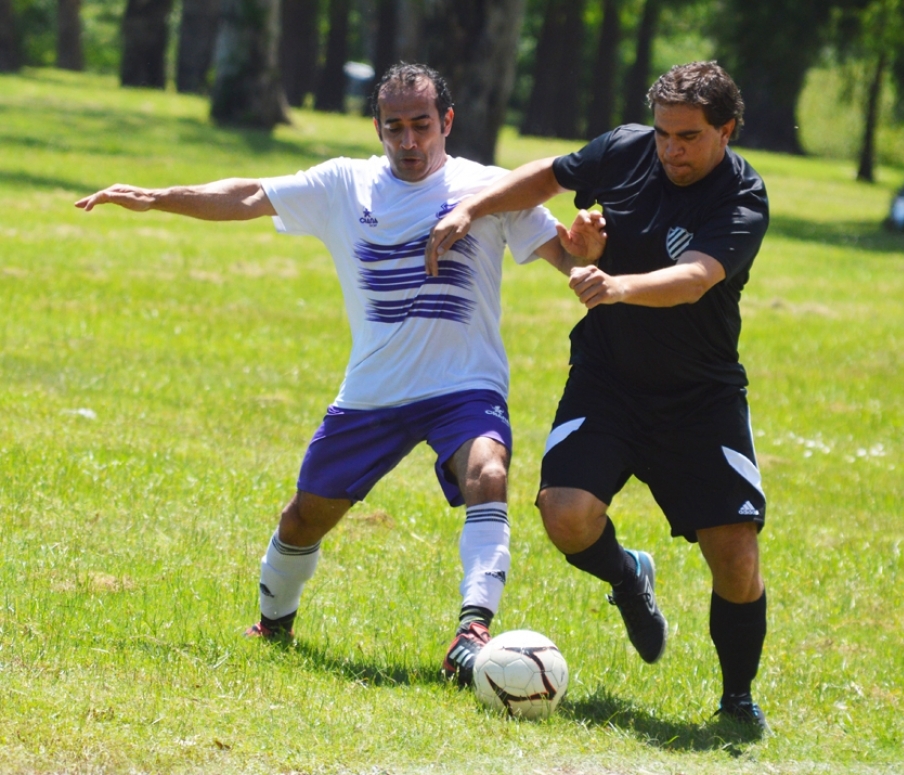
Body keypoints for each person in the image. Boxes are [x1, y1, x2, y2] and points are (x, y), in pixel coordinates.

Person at [75, 63, 604, 687]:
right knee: (304, 517)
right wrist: (155, 197)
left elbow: (569, 259)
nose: (409, 141)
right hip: (375, 391)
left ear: (447, 121)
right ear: (377, 128)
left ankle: (472, 631)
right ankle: (273, 624)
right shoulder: (345, 184)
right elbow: (248, 195)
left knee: (488, 473)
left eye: (422, 125)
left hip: (464, 385)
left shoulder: (490, 188)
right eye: (394, 127)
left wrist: (588, 253)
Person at [426, 61, 771, 729]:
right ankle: (626, 576)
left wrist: (615, 284)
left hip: (698, 396)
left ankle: (736, 700)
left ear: (726, 131)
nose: (671, 150)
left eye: (690, 137)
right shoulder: (625, 149)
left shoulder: (742, 195)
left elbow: (696, 277)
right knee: (565, 515)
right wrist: (472, 207)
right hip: (607, 378)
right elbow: (548, 176)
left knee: (734, 553)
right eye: (664, 133)